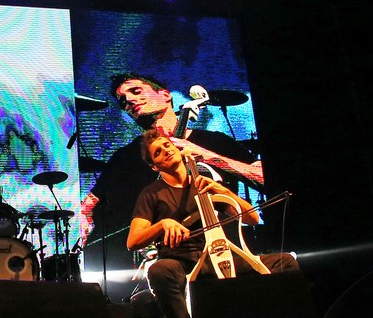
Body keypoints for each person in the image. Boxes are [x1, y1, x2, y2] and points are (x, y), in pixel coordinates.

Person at [78, 72, 264, 296]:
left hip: (229, 245)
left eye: (136, 91)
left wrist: (206, 156)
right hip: (174, 256)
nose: (130, 101)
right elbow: (88, 207)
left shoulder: (214, 141)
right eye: (123, 101)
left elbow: (262, 177)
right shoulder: (124, 157)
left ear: (165, 95)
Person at [126, 126, 297, 318]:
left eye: (167, 145)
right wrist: (163, 224)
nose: (166, 150)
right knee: (159, 271)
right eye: (158, 152)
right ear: (154, 166)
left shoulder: (204, 184)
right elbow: (133, 241)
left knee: (286, 262)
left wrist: (223, 191)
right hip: (183, 262)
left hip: (221, 255)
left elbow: (252, 218)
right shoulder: (151, 194)